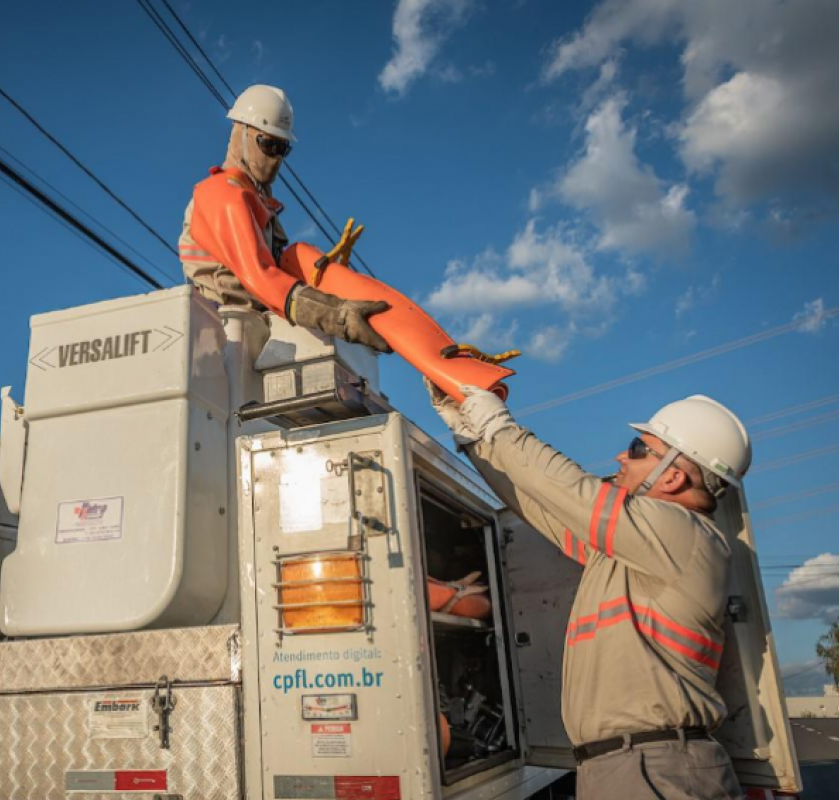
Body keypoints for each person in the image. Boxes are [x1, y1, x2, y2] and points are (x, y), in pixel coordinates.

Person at [426, 381, 751, 800]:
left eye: (637, 448)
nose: (621, 455)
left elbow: (570, 491)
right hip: (631, 764)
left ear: (672, 476)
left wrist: (497, 425)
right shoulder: (640, 550)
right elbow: (542, 504)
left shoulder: (682, 533)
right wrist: (472, 436)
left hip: (654, 767)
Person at [179, 84, 520, 399]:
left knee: (302, 256)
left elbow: (277, 273)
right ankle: (459, 379)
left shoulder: (258, 205)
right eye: (268, 144)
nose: (276, 158)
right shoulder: (221, 195)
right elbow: (260, 275)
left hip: (258, 333)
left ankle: (454, 368)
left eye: (283, 148)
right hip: (226, 334)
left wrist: (331, 284)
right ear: (241, 133)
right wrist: (337, 314)